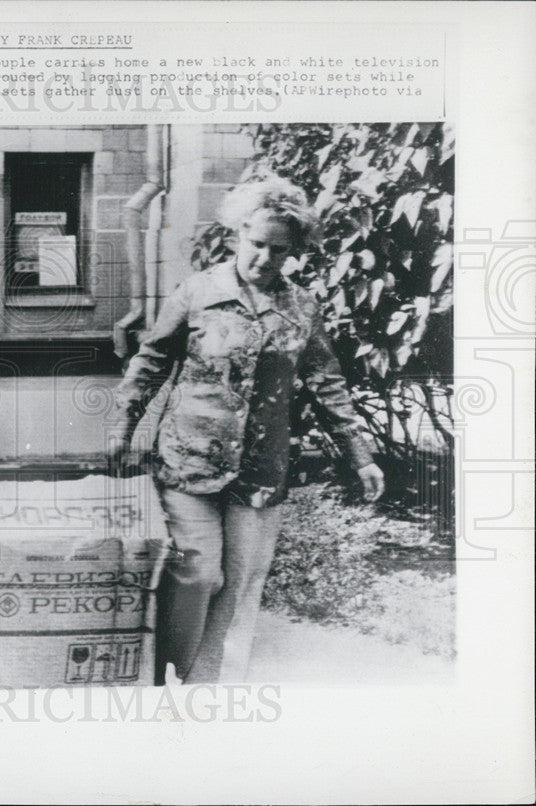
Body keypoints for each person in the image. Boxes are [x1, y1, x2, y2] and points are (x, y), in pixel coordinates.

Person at [110, 176, 385, 684]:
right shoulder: (196, 293)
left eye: (280, 251)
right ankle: (165, 680)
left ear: (295, 251)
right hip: (188, 460)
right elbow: (150, 362)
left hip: (261, 469)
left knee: (241, 585)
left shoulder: (302, 307)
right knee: (196, 572)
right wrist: (122, 431)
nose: (265, 259)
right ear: (239, 232)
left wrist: (360, 454)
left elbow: (327, 384)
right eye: (258, 244)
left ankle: (209, 691)